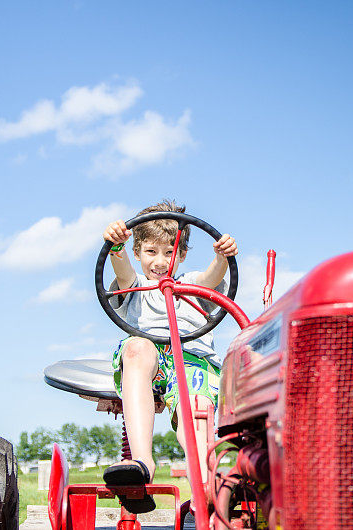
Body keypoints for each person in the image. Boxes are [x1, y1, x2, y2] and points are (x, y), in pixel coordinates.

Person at [101, 199, 238, 513]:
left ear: (183, 254)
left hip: (191, 362)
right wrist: (115, 246)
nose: (160, 261)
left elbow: (212, 279)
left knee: (197, 406)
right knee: (136, 347)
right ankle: (142, 464)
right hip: (151, 364)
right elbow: (121, 269)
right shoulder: (134, 287)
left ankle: (205, 487)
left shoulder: (190, 284)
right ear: (138, 253)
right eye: (151, 252)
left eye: (169, 252)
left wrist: (221, 256)